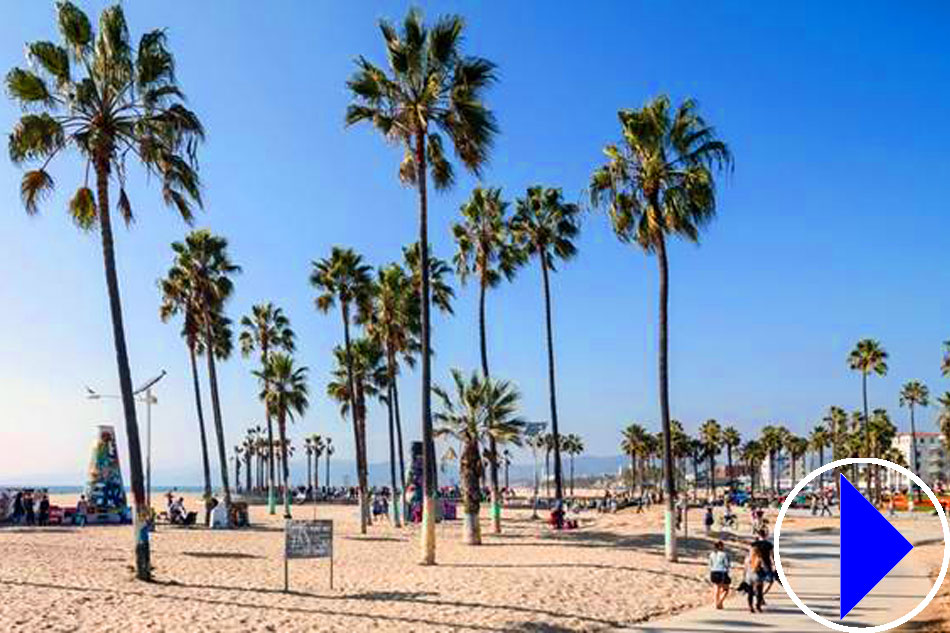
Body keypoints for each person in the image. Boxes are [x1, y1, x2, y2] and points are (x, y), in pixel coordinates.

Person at [743, 543, 767, 613]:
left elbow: (745, 568)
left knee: (750, 592)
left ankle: (750, 607)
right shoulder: (759, 558)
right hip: (757, 576)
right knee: (759, 592)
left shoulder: (747, 559)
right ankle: (758, 606)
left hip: (749, 576)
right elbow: (764, 567)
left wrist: (744, 577)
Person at [708, 540, 732, 609]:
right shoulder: (724, 554)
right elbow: (727, 564)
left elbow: (710, 564)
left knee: (716, 588)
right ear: (721, 546)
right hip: (722, 572)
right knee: (726, 589)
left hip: (713, 571)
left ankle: (716, 603)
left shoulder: (711, 554)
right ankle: (720, 602)